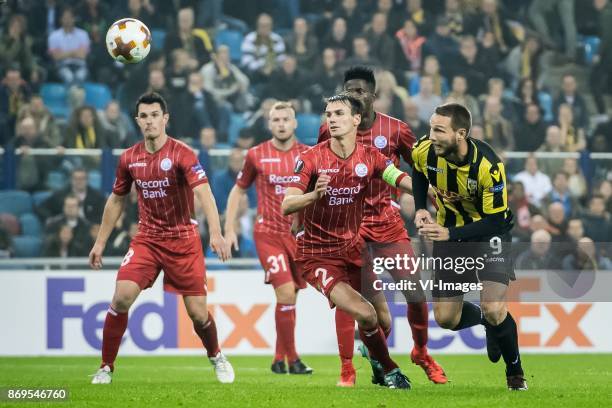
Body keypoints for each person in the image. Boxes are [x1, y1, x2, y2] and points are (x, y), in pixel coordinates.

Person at [88, 92, 234, 385]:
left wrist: (216, 234)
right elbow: (116, 200)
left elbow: (203, 191)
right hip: (148, 238)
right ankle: (105, 367)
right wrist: (100, 242)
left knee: (197, 314)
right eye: (144, 116)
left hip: (183, 240)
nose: (150, 121)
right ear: (138, 121)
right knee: (121, 297)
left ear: (165, 118)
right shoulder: (129, 158)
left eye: (155, 115)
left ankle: (217, 355)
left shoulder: (182, 154)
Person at [317, 67, 446, 387]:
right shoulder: (329, 129)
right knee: (354, 303)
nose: (353, 96)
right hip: (348, 229)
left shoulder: (397, 130)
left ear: (373, 95)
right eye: (348, 91)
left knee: (415, 293)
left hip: (387, 223)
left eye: (360, 91)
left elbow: (419, 170)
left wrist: (423, 206)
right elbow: (317, 172)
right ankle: (347, 368)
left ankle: (420, 352)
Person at [282, 92, 414, 390]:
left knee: (384, 320)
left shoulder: (369, 157)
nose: (332, 119)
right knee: (366, 315)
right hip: (318, 256)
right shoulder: (312, 158)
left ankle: (377, 362)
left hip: (354, 250)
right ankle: (391, 371)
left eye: (339, 114)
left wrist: (428, 194)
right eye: (328, 114)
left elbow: (398, 178)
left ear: (356, 119)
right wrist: (314, 195)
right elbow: (286, 205)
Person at [411, 102, 527, 390]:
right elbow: (418, 170)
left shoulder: (489, 166)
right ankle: (488, 324)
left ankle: (515, 374)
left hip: (490, 236)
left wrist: (449, 233)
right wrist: (419, 207)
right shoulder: (425, 149)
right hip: (449, 236)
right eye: (430, 127)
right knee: (447, 319)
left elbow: (494, 220)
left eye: (439, 130)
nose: (431, 135)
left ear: (460, 134)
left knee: (493, 306)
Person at [224, 102, 312, 375]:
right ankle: (294, 360)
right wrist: (229, 229)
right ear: (269, 123)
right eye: (276, 119)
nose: (282, 124)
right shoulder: (256, 154)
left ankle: (278, 359)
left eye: (286, 118)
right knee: (285, 291)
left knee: (290, 297)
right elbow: (237, 191)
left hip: (297, 236)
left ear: (295, 123)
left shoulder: (309, 155)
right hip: (268, 233)